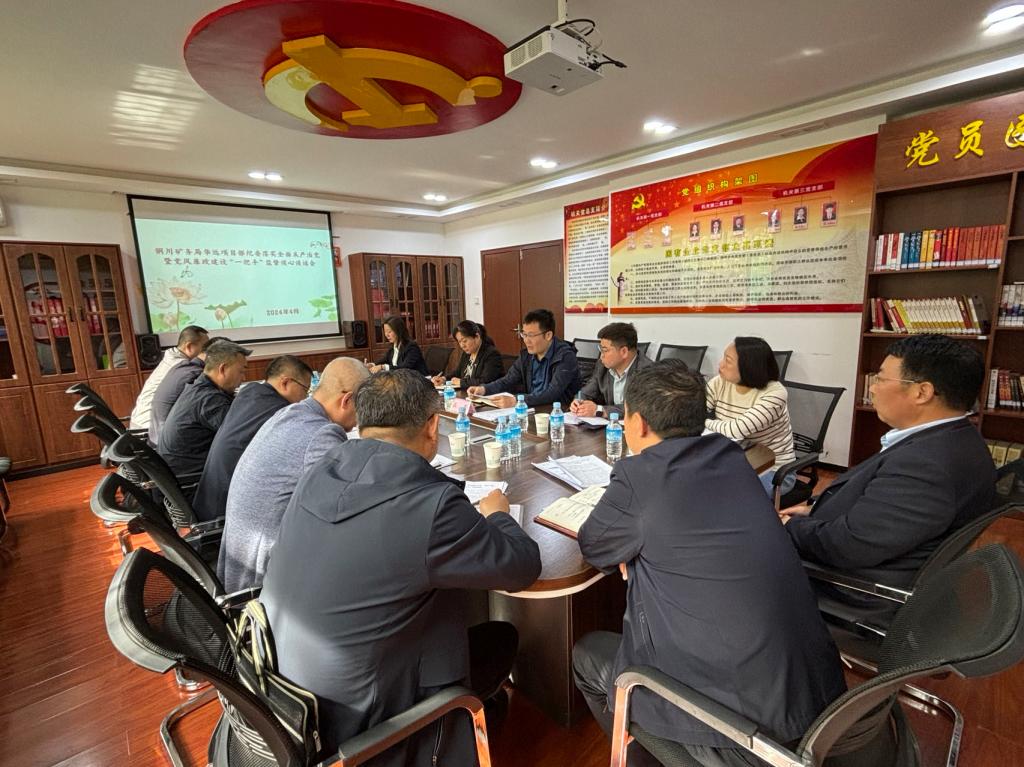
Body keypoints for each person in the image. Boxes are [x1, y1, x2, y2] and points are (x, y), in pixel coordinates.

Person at [572, 361, 846, 767]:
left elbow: (594, 545)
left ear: (639, 422)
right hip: (822, 704)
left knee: (587, 654)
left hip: (744, 735)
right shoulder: (730, 456)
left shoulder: (641, 475)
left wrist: (635, 549)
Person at [261, 370, 541, 765]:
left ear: (360, 421)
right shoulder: (430, 505)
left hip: (283, 695)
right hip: (360, 723)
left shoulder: (320, 470)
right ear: (433, 426)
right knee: (499, 638)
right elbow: (522, 566)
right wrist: (498, 515)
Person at [782, 334, 995, 622]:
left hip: (854, 590)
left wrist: (791, 526)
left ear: (922, 392)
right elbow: (882, 510)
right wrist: (816, 508)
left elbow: (848, 546)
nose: (872, 387)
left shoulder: (925, 465)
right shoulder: (955, 439)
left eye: (881, 379)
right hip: (881, 562)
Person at [218, 357, 369, 592]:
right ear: (347, 400)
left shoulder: (288, 413)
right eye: (362, 409)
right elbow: (349, 510)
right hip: (263, 586)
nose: (360, 420)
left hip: (237, 569)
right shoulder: (322, 434)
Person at [191, 354, 313, 521]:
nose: (306, 398)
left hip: (207, 498)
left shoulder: (250, 390)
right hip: (227, 512)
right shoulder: (280, 413)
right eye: (305, 389)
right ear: (285, 382)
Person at [705, 337, 797, 496]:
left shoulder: (775, 393)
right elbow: (692, 414)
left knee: (726, 496)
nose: (720, 364)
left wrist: (705, 422)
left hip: (773, 470)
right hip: (734, 461)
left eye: (728, 361)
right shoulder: (720, 382)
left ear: (749, 367)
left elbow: (736, 430)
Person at [157, 340, 251, 484]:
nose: (243, 378)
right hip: (192, 483)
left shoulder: (199, 389)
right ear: (223, 369)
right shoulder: (209, 400)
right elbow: (243, 437)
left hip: (179, 477)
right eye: (241, 371)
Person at [466, 308, 581, 408]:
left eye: (530, 335)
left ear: (548, 335)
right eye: (524, 334)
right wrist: (484, 389)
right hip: (532, 408)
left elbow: (552, 393)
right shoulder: (527, 355)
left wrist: (516, 400)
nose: (526, 340)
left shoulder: (565, 356)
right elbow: (508, 380)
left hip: (558, 413)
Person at [128, 325, 208, 430]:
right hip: (149, 428)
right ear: (189, 346)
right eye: (205, 348)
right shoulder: (184, 367)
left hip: (138, 423)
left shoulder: (170, 358)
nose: (208, 352)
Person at [571, 322, 652, 418]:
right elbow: (586, 392)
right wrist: (578, 402)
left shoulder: (648, 371)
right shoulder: (603, 366)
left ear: (624, 352)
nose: (601, 356)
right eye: (600, 350)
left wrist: (600, 410)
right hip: (609, 424)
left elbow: (638, 408)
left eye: (605, 350)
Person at [430, 320, 503, 389]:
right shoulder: (467, 353)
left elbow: (485, 381)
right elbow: (458, 372)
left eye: (465, 341)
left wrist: (461, 382)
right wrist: (443, 379)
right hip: (466, 392)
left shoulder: (491, 354)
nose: (462, 346)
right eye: (459, 342)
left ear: (477, 337)